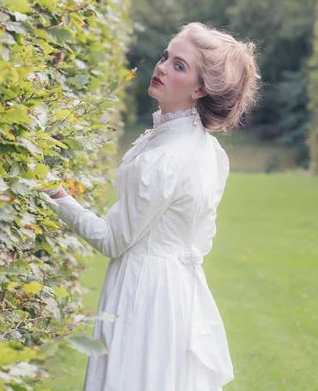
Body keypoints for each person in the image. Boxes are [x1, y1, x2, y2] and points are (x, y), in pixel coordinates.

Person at [42, 22, 260, 391]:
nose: (161, 67)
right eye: (165, 57)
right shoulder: (208, 150)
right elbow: (200, 239)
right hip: (177, 292)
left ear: (200, 89)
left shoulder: (165, 158)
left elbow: (112, 241)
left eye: (179, 66)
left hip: (141, 291)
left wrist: (57, 197)